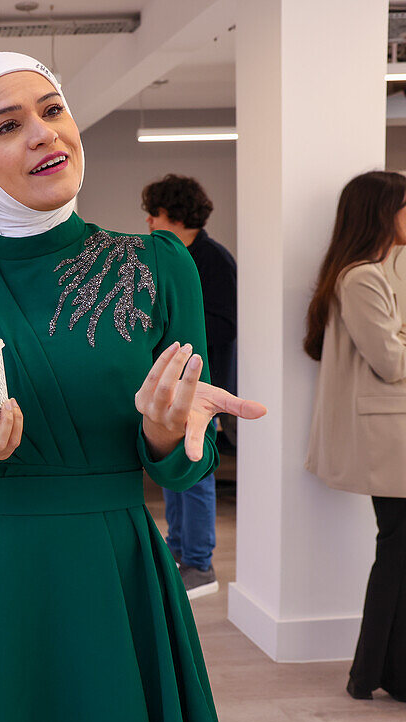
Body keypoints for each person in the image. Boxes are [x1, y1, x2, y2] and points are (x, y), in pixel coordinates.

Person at [0, 52, 265, 722]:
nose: (43, 133)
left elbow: (186, 461)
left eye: (53, 110)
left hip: (112, 568)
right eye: (7, 125)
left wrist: (172, 435)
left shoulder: (158, 266)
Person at [304, 170, 406, 704]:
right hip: (388, 440)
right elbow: (391, 361)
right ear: (383, 212)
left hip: (392, 437)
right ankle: (386, 673)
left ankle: (377, 670)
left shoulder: (364, 276)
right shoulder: (362, 278)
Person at [141, 174, 237, 599]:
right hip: (173, 390)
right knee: (174, 475)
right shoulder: (172, 257)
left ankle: (199, 563)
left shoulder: (212, 260)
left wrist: (176, 338)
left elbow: (224, 323)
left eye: (154, 214)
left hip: (202, 388)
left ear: (175, 215)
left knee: (195, 475)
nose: (148, 222)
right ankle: (179, 550)